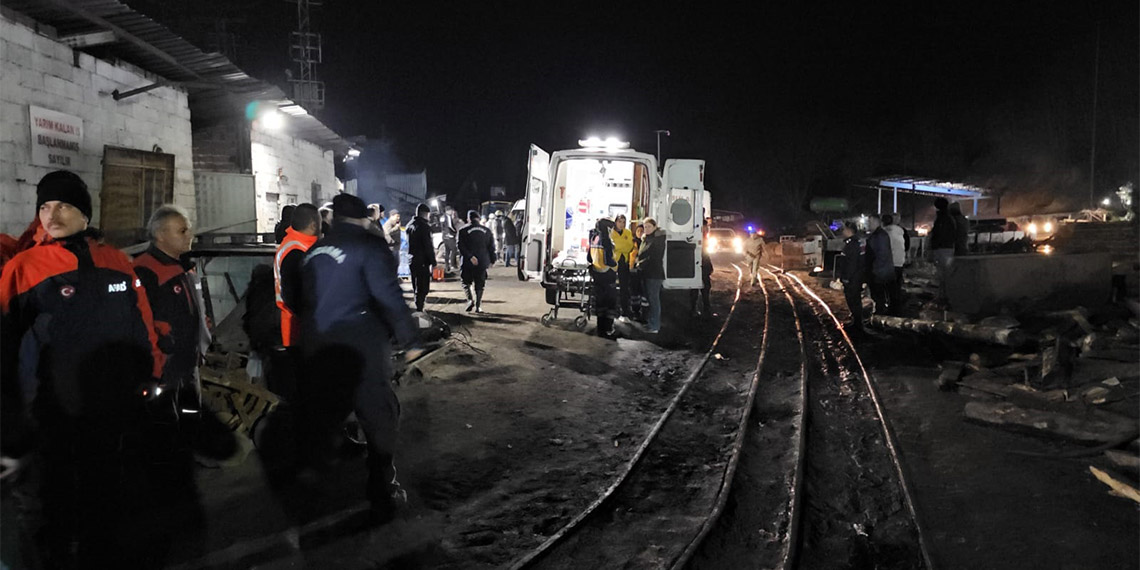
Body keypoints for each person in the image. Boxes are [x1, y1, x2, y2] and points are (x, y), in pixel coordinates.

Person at [1, 170, 168, 567]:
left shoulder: (117, 263)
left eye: (63, 206)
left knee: (105, 496)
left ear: (85, 214)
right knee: (50, 506)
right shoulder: (23, 268)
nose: (51, 214)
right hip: (49, 414)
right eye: (44, 206)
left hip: (109, 411)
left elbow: (141, 325)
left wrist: (151, 376)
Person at [296, 193, 422, 525]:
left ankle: (315, 494)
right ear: (363, 218)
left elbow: (298, 300)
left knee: (325, 416)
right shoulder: (368, 246)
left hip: (316, 346)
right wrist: (409, 338)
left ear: (333, 219)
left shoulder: (311, 253)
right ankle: (382, 490)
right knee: (380, 414)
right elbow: (388, 294)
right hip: (360, 345)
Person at [132, 204, 211, 558]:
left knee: (191, 412)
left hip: (186, 363)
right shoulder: (145, 270)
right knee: (165, 423)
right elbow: (143, 322)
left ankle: (190, 455)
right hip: (164, 368)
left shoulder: (179, 266)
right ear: (161, 234)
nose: (188, 235)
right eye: (182, 230)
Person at [275, 204, 321, 349]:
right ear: (314, 225)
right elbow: (295, 295)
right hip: (297, 327)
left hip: (296, 323)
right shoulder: (296, 251)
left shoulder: (293, 244)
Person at [457, 210, 496, 313]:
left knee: (466, 282)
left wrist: (470, 256)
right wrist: (493, 260)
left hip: (467, 261)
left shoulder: (463, 230)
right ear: (478, 218)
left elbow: (460, 246)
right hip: (482, 261)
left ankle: (470, 300)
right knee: (480, 284)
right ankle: (478, 306)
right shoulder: (487, 231)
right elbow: (491, 247)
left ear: (469, 219)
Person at [588, 218, 620, 339]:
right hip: (607, 274)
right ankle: (608, 328)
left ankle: (600, 327)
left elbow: (589, 258)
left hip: (597, 273)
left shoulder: (593, 238)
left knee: (600, 302)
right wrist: (615, 264)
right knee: (610, 302)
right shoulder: (606, 240)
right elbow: (608, 260)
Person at [635, 217, 665, 334]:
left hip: (655, 273)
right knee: (650, 298)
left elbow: (654, 257)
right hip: (647, 273)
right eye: (645, 227)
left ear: (654, 227)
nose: (646, 229)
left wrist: (640, 263)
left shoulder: (657, 240)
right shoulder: (646, 239)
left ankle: (655, 325)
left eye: (649, 227)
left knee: (654, 299)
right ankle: (651, 323)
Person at [405, 203, 436, 312]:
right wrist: (433, 262)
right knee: (423, 285)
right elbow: (428, 246)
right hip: (422, 260)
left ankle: (418, 304)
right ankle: (420, 308)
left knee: (416, 283)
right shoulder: (424, 227)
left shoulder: (410, 225)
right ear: (425, 214)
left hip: (412, 259)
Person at [837, 221, 866, 333]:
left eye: (844, 229)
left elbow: (851, 263)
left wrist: (846, 278)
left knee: (853, 300)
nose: (843, 231)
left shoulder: (852, 244)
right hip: (856, 277)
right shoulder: (857, 242)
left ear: (849, 230)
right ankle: (857, 321)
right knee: (855, 300)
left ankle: (857, 324)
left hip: (852, 279)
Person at [864, 214, 895, 315]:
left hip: (879, 271)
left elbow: (881, 254)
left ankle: (880, 316)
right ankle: (881, 313)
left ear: (876, 222)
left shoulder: (879, 236)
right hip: (880, 270)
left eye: (871, 222)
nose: (869, 224)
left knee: (879, 296)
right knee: (879, 295)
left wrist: (873, 269)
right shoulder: (879, 234)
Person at [929, 197, 956, 299]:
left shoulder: (943, 218)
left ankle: (944, 296)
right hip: (947, 247)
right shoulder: (948, 218)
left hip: (943, 248)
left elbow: (938, 234)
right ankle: (945, 294)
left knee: (943, 273)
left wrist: (934, 247)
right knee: (945, 273)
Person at [610, 214, 635, 320]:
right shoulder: (611, 232)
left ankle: (625, 310)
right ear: (615, 222)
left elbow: (629, 246)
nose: (622, 224)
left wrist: (618, 246)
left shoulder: (628, 232)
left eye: (624, 222)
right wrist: (620, 246)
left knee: (624, 288)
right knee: (611, 287)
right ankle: (613, 310)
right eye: (620, 222)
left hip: (624, 263)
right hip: (612, 263)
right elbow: (611, 247)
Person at [882, 214, 906, 315]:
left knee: (889, 288)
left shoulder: (885, 233)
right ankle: (898, 308)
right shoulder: (900, 232)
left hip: (890, 263)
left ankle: (892, 310)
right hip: (900, 262)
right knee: (897, 287)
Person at [690, 222, 714, 318]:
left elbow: (706, 255)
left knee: (704, 290)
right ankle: (696, 309)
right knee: (696, 290)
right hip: (699, 267)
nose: (705, 230)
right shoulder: (698, 238)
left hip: (703, 267)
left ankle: (703, 309)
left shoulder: (703, 238)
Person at [441, 206, 460, 272]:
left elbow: (442, 227)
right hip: (449, 235)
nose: (452, 212)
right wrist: (454, 231)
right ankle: (452, 264)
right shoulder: (448, 217)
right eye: (451, 211)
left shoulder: (442, 217)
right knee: (454, 249)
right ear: (448, 211)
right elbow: (450, 226)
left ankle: (447, 266)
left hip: (444, 236)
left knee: (447, 251)